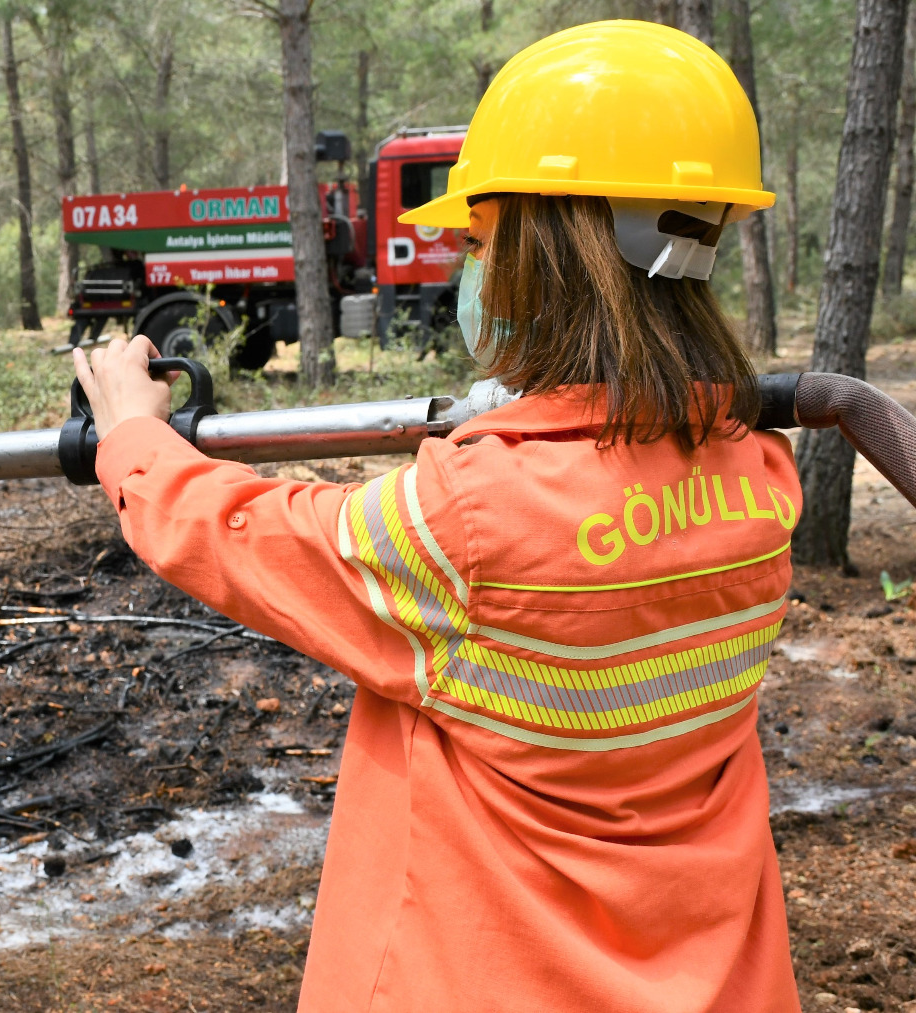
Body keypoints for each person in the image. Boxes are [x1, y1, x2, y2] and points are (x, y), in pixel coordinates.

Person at [74, 21, 801, 1012]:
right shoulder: (757, 473)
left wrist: (130, 434)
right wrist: (543, 412)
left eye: (477, 241)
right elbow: (618, 487)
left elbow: (242, 529)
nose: (466, 265)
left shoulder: (465, 522)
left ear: (549, 248)